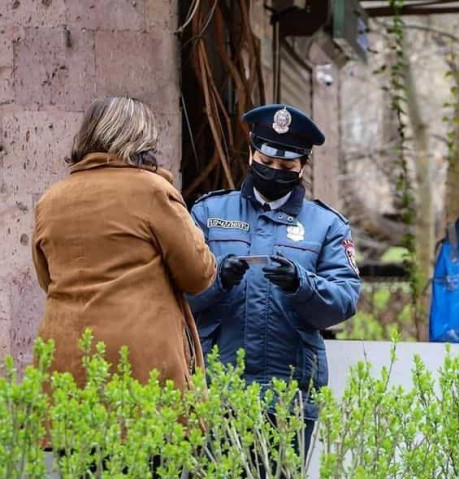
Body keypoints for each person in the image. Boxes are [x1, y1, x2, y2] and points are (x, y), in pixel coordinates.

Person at [187, 104, 361, 457]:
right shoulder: (208, 213)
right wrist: (218, 280)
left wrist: (302, 285)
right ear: (251, 154)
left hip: (290, 391)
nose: (273, 171)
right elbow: (179, 295)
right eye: (266, 162)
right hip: (217, 386)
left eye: (285, 167)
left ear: (303, 166)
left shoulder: (327, 225)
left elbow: (345, 300)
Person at [33, 96, 217, 392]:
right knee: (139, 422)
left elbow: (47, 279)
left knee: (72, 420)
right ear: (141, 140)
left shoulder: (50, 199)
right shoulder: (153, 191)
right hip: (138, 360)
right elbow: (198, 274)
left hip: (64, 355)